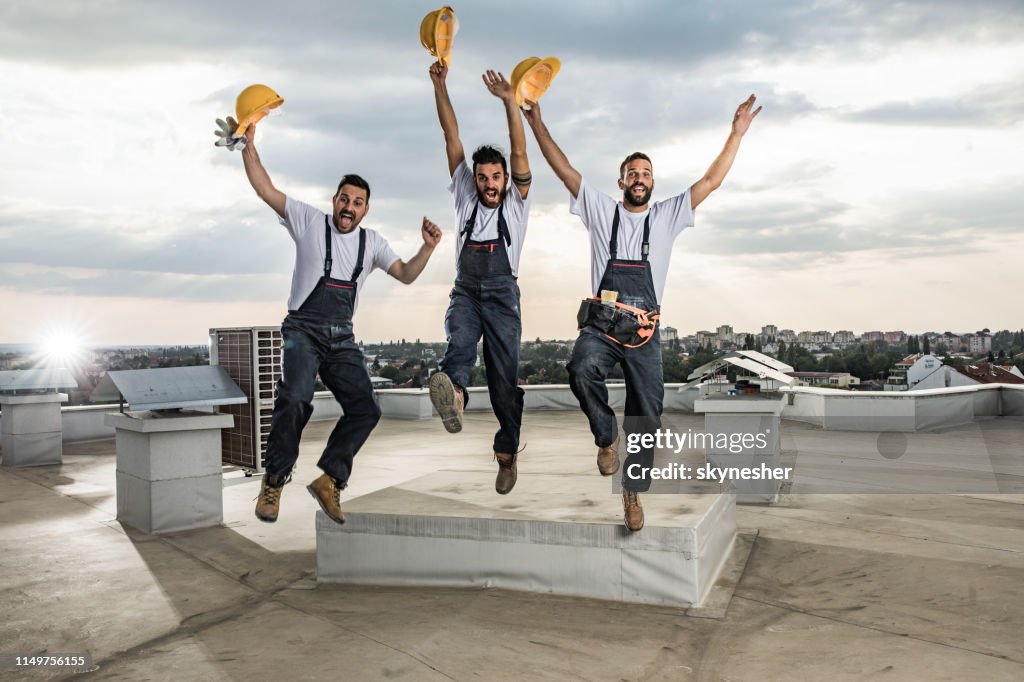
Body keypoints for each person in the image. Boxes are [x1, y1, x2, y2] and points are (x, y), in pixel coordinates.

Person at [522, 95, 761, 530]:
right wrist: (537, 122)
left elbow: (710, 181)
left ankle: (633, 492)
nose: (639, 178)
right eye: (632, 172)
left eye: (646, 173)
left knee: (649, 413)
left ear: (652, 182)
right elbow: (563, 169)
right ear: (620, 181)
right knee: (580, 368)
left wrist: (736, 134)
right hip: (602, 325)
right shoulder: (601, 211)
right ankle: (607, 436)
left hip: (646, 331)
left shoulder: (668, 216)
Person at [215, 117, 443, 525]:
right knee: (295, 398)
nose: (348, 208)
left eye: (357, 203)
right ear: (334, 199)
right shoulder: (307, 221)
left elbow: (406, 274)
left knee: (366, 408)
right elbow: (264, 188)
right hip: (302, 330)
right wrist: (248, 144)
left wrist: (426, 248)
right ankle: (274, 480)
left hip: (341, 338)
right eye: (344, 199)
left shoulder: (371, 242)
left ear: (365, 209)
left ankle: (330, 480)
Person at [426, 61, 533, 495]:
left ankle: (506, 455)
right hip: (467, 290)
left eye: (496, 177)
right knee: (461, 341)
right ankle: (454, 395)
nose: (489, 184)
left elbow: (520, 150)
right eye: (483, 177)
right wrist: (440, 85)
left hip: (504, 296)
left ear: (507, 179)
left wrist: (511, 102)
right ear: (474, 178)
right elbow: (452, 136)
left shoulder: (516, 204)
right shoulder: (464, 194)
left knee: (504, 383)